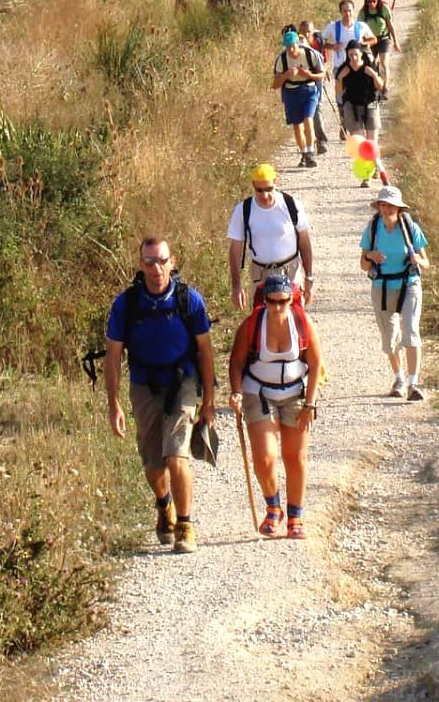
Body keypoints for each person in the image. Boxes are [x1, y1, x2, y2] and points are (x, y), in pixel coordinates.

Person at [105, 236, 216, 555]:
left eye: (161, 261)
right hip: (144, 385)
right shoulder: (126, 304)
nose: (156, 269)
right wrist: (113, 405)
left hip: (181, 382)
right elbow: (112, 357)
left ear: (173, 261)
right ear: (141, 265)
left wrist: (208, 402)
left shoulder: (189, 300)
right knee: (153, 462)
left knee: (175, 454)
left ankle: (185, 523)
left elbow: (205, 352)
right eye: (149, 262)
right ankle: (164, 504)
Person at [229, 273, 323, 540]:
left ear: (291, 299)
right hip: (258, 392)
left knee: (296, 457)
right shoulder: (251, 325)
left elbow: (316, 364)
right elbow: (236, 363)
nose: (278, 307)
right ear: (265, 301)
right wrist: (236, 392)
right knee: (265, 457)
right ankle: (273, 507)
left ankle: (295, 516)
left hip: (296, 393)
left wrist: (310, 404)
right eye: (272, 302)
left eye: (283, 301)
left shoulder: (303, 323)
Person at [359, 186, 429, 401]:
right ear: (379, 207)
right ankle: (399, 378)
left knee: (410, 332)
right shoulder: (372, 229)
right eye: (383, 204)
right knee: (389, 339)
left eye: (390, 205)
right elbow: (363, 264)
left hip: (409, 284)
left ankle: (413, 383)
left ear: (399, 208)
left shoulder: (410, 228)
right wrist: (370, 255)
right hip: (382, 286)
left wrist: (418, 260)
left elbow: (426, 263)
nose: (386, 208)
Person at [227, 163, 314, 311]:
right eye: (259, 190)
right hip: (260, 275)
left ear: (276, 182)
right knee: (259, 321)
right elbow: (235, 250)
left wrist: (309, 278)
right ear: (253, 185)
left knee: (296, 318)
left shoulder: (291, 205)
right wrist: (236, 286)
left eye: (269, 189)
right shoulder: (243, 210)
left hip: (290, 272)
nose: (265, 195)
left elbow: (304, 242)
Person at [273, 29, 325, 169]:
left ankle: (310, 152)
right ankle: (304, 153)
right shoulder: (282, 59)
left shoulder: (309, 54)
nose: (291, 49)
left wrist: (308, 75)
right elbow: (275, 84)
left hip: (309, 90)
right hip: (291, 92)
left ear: (298, 43)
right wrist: (286, 75)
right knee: (297, 126)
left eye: (293, 46)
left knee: (308, 119)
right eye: (288, 46)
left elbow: (322, 74)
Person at [335, 41, 383, 184]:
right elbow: (338, 92)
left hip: (371, 104)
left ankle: (373, 166)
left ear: (361, 54)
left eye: (355, 54)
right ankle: (365, 176)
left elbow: (380, 86)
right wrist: (340, 78)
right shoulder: (344, 69)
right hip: (352, 106)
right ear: (347, 55)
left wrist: (374, 75)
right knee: (360, 144)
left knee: (371, 141)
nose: (353, 58)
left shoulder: (369, 66)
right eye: (350, 55)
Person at [323, 0, 376, 107]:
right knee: (341, 95)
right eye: (344, 11)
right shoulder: (332, 27)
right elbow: (321, 43)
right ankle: (343, 117)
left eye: (350, 11)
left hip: (358, 66)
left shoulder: (361, 26)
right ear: (340, 12)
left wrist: (364, 43)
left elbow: (374, 39)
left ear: (353, 11)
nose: (347, 13)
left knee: (359, 93)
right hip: (340, 65)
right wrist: (332, 46)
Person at [358, 0, 400, 97]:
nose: (371, 3)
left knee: (384, 63)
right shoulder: (363, 13)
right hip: (370, 40)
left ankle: (384, 88)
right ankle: (375, 86)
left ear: (378, 0)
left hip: (384, 39)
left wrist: (396, 41)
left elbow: (390, 26)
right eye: (369, 1)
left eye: (374, 1)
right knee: (371, 64)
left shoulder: (384, 10)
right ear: (365, 0)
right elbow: (359, 29)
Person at [298, 19, 329, 155]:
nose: (306, 34)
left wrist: (323, 73)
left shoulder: (318, 43)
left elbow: (325, 61)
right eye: (303, 31)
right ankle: (310, 141)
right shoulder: (297, 44)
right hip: (300, 82)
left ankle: (320, 141)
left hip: (316, 79)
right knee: (304, 112)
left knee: (316, 108)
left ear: (313, 31)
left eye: (308, 31)